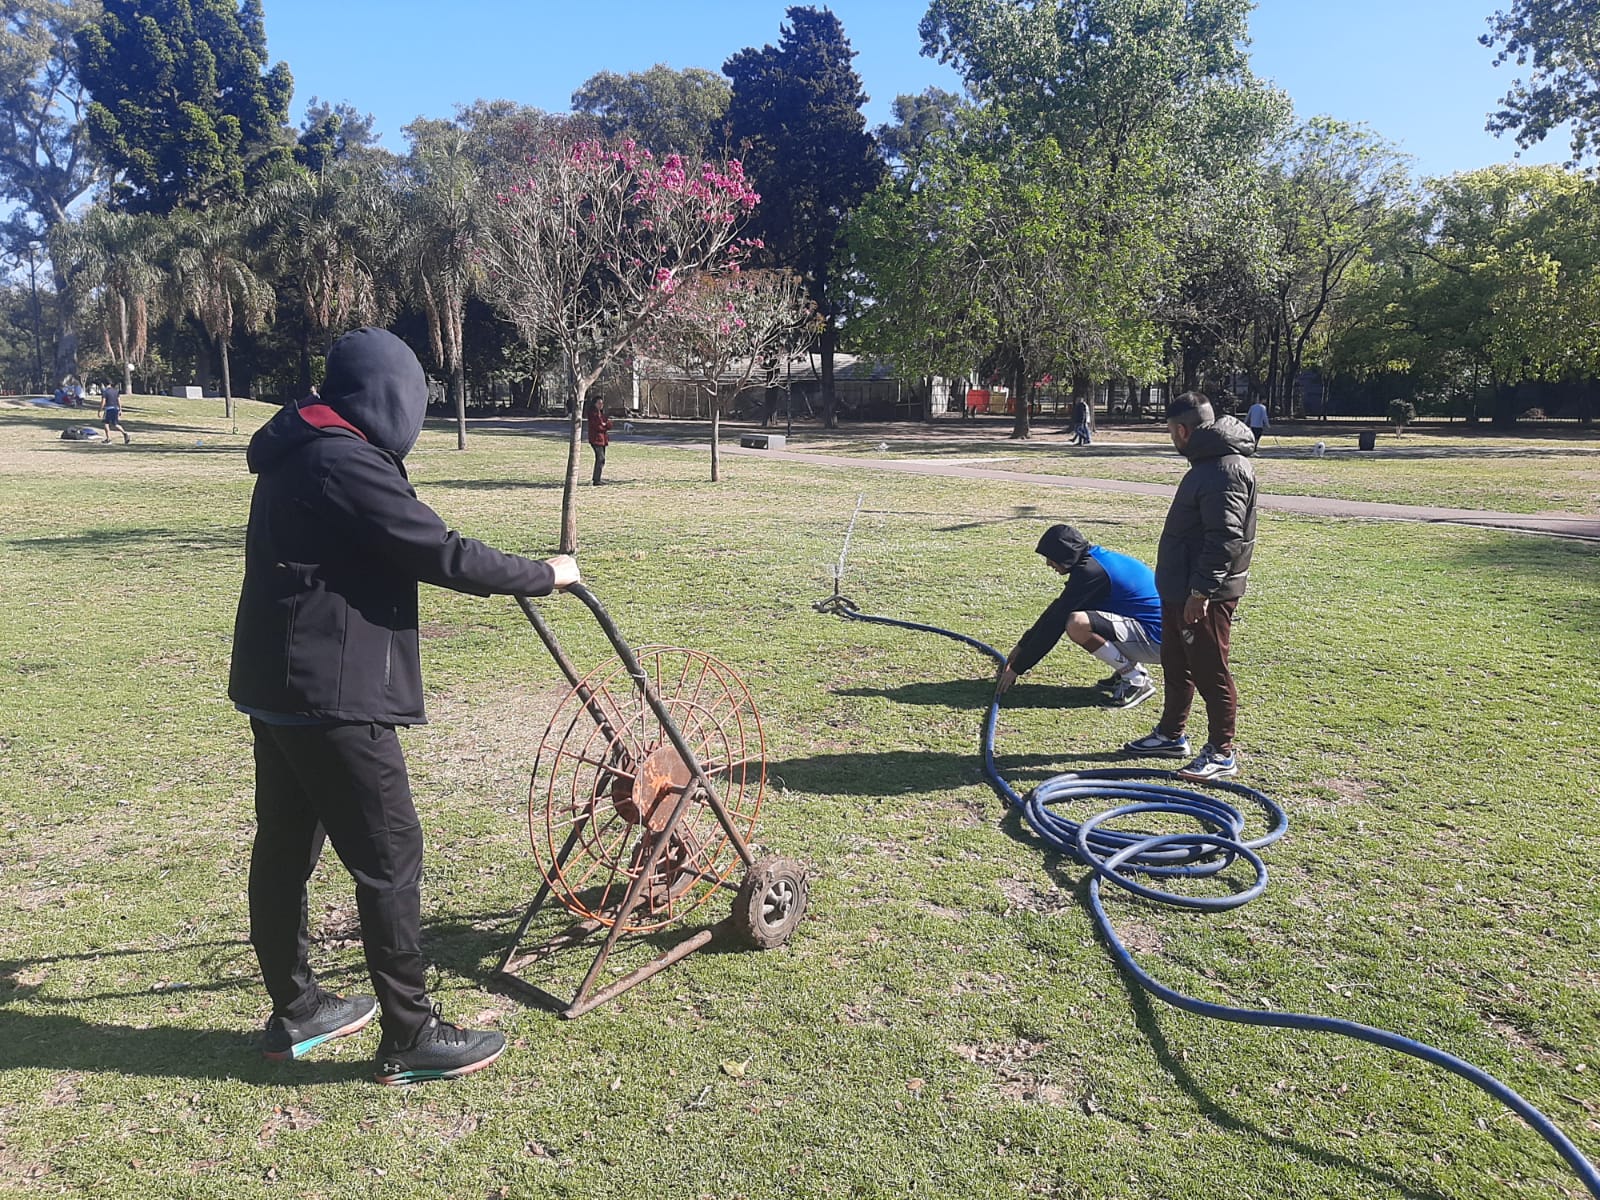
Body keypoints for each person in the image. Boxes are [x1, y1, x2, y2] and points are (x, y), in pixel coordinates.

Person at [228, 327, 582, 1085]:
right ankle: (411, 1035)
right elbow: (436, 549)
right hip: (330, 697)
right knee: (389, 859)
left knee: (285, 850)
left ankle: (297, 1013)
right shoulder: (342, 459)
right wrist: (541, 573)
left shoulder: (301, 447)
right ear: (385, 396)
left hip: (279, 688)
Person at [1123, 392, 1258, 781]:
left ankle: (1222, 751)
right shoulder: (1208, 465)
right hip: (1180, 589)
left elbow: (1225, 539)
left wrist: (1200, 593)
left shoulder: (1224, 470)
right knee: (1177, 663)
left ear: (1181, 430)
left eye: (1170, 431)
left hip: (1204, 595)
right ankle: (1170, 734)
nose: (1171, 438)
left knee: (1209, 669)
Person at [998, 524, 1163, 709]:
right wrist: (1022, 645)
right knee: (1078, 617)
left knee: (1077, 624)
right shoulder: (1096, 561)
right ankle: (1131, 670)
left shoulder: (1091, 572)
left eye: (1051, 558)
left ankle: (1135, 679)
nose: (1048, 564)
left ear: (1065, 554)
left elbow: (1056, 624)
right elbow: (1056, 610)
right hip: (1157, 633)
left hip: (1158, 642)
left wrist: (1017, 668)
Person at [584, 395, 612, 485]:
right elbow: (597, 426)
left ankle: (597, 478)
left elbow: (608, 423)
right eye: (599, 403)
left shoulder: (601, 413)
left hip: (603, 439)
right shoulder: (593, 414)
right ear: (594, 404)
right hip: (596, 439)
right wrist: (604, 426)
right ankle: (596, 480)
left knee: (602, 459)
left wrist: (606, 425)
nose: (601, 405)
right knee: (600, 458)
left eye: (602, 403)